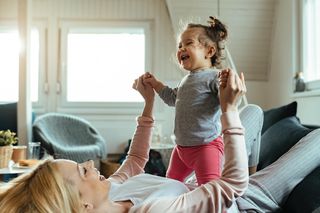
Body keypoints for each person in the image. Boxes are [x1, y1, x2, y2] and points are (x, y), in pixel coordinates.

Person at [1, 70, 320, 213]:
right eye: (82, 172)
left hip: (204, 183)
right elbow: (233, 187)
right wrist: (226, 110)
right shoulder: (156, 210)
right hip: (239, 199)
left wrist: (149, 102)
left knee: (252, 112)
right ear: (82, 206)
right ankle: (260, 181)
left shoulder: (112, 191)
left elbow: (135, 161)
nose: (89, 164)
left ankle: (250, 161)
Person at [143, 16, 228, 185]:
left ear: (209, 52)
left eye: (188, 43)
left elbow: (228, 101)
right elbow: (172, 98)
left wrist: (228, 85)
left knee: (210, 191)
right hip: (181, 149)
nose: (181, 48)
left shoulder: (214, 77)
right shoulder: (186, 80)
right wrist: (155, 84)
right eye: (180, 45)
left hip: (206, 147)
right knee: (170, 185)